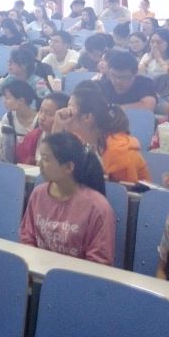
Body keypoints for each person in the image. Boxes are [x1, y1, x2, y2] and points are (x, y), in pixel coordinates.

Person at [19, 132, 115, 265]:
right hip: (38, 272)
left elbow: (99, 261)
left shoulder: (97, 207)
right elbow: (27, 238)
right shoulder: (38, 194)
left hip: (76, 276)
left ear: (69, 167)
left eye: (46, 159)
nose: (39, 163)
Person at [54, 84, 150, 183]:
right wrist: (56, 128)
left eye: (70, 109)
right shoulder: (83, 140)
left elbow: (121, 191)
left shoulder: (118, 151)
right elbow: (54, 167)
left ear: (87, 117)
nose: (64, 113)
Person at [16, 92, 70, 165]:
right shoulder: (31, 137)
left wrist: (56, 135)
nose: (41, 117)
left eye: (49, 113)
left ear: (64, 116)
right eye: (41, 111)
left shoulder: (70, 143)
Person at [0, 79, 38, 146]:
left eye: (7, 98)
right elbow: (4, 144)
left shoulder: (40, 120)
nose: (4, 102)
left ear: (21, 100)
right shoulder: (8, 118)